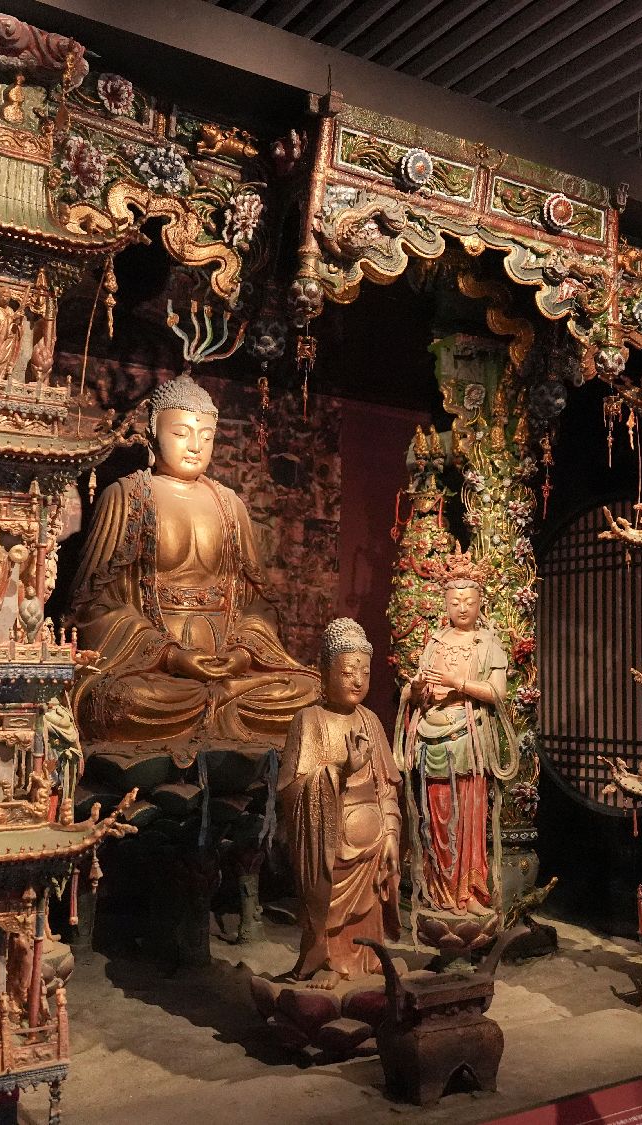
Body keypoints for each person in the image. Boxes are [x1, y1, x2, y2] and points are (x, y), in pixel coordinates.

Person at [67, 374, 318, 754]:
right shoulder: (126, 496)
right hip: (155, 672)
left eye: (206, 435)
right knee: (123, 702)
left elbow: (259, 606)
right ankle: (213, 709)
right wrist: (171, 656)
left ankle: (220, 704)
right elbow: (93, 606)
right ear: (153, 434)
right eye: (181, 433)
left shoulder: (231, 505)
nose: (195, 446)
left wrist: (242, 653)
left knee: (310, 693)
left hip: (232, 666)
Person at [277, 618, 402, 987]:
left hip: (373, 843)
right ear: (325, 672)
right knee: (329, 906)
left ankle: (369, 959)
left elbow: (387, 788)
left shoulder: (371, 721)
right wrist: (341, 770)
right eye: (348, 672)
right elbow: (293, 789)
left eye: (365, 672)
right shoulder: (309, 720)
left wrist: (391, 835)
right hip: (331, 846)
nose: (358, 681)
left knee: (371, 909)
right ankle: (329, 962)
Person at [395, 552, 518, 915]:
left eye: (468, 601)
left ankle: (469, 892)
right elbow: (418, 692)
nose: (462, 608)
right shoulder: (434, 643)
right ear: (445, 604)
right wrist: (417, 690)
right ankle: (439, 892)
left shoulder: (488, 644)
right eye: (454, 602)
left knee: (468, 819)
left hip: (468, 739)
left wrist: (459, 683)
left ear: (480, 602)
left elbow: (497, 692)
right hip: (431, 737)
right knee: (436, 819)